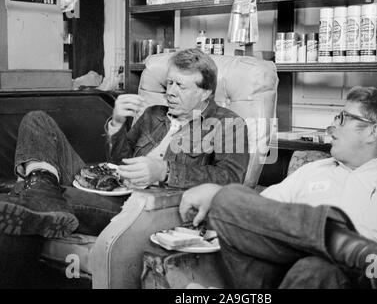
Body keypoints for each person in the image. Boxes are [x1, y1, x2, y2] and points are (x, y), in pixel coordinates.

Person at [179, 86, 377, 289]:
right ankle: (351, 249)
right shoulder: (313, 170)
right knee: (227, 199)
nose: (331, 127)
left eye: (343, 118)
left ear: (372, 132)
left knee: (317, 268)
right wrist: (217, 197)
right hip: (283, 270)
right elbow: (259, 217)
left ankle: (360, 255)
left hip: (365, 279)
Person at [0, 48, 249, 239]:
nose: (170, 92)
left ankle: (39, 193)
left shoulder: (229, 124)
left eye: (181, 86)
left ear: (205, 92)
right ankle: (41, 191)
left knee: (32, 194)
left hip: (149, 208)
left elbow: (231, 179)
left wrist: (165, 171)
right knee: (37, 120)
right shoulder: (154, 114)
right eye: (169, 83)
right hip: (114, 188)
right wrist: (118, 123)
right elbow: (119, 163)